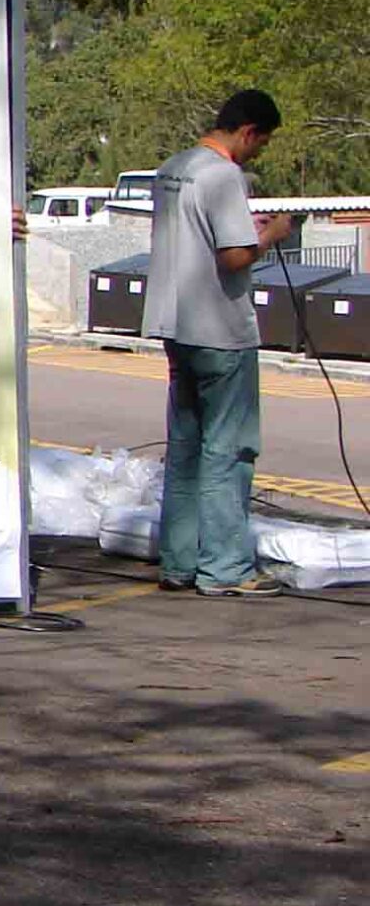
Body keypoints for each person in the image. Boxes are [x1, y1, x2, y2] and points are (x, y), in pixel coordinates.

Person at [146, 89, 295, 597]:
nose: (258, 153)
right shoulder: (225, 175)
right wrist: (271, 234)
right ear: (249, 132)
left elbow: (197, 234)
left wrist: (243, 232)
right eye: (262, 143)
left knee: (185, 447)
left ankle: (178, 561)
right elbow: (233, 256)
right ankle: (225, 567)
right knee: (227, 450)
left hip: (174, 322)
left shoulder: (173, 168)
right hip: (220, 329)